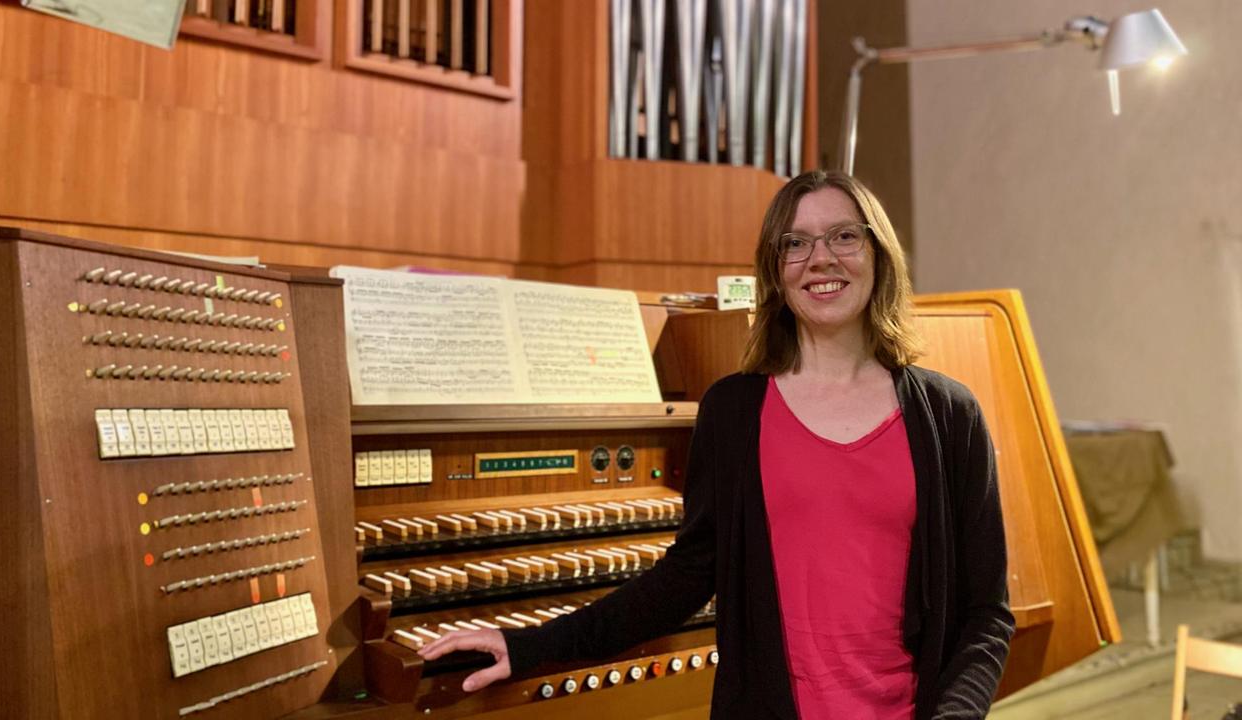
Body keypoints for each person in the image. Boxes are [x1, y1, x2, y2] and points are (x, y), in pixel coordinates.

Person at [419, 170, 1015, 719]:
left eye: (843, 237)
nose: (820, 259)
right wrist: (528, 645)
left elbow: (985, 613)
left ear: (878, 255)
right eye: (795, 243)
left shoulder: (948, 414)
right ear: (775, 271)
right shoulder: (733, 412)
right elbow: (686, 575)